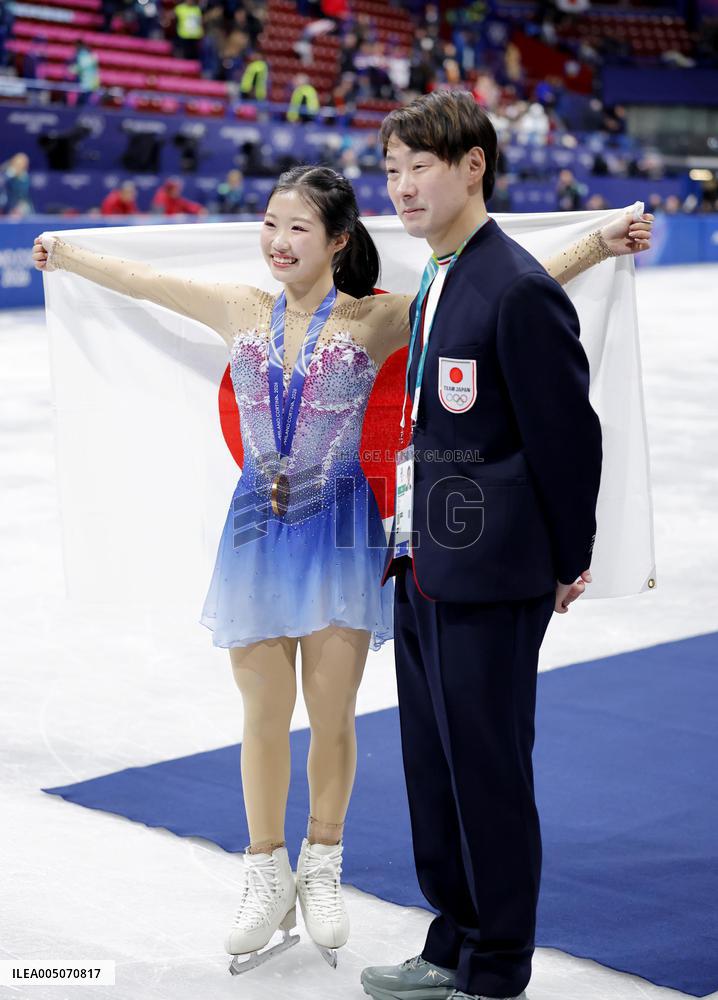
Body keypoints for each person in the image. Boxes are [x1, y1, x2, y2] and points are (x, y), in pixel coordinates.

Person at [32, 164, 651, 977]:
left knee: (331, 715)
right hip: (256, 533)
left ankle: (322, 864)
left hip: (342, 536)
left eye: (296, 228)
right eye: (269, 223)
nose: (278, 241)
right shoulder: (240, 309)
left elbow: (501, 287)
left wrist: (596, 246)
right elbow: (144, 279)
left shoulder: (376, 319)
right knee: (260, 712)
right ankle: (264, 871)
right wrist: (68, 255)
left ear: (337, 242)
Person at [360, 91, 651, 1000]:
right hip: (425, 565)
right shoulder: (444, 277)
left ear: (473, 165)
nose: (402, 187)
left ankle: (495, 965)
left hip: (490, 575)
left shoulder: (514, 284)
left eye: (421, 167)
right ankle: (452, 934)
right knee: (434, 768)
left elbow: (568, 437)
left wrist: (568, 558)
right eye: (393, 170)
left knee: (485, 769)